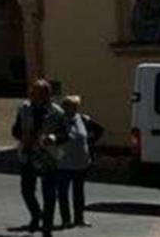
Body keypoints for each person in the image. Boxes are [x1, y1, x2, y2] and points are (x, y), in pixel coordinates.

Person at [12, 79, 67, 237]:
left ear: (47, 94)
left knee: (49, 193)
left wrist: (54, 138)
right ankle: (36, 214)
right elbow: (15, 129)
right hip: (28, 153)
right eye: (34, 92)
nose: (36, 96)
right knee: (26, 191)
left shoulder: (57, 112)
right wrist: (22, 136)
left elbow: (65, 134)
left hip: (48, 155)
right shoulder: (24, 109)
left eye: (41, 93)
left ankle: (47, 228)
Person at [57, 95, 105, 229]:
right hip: (63, 163)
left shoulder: (83, 119)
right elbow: (51, 138)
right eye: (69, 106)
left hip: (81, 162)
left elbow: (99, 130)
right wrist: (56, 154)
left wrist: (89, 144)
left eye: (75, 106)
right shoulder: (59, 121)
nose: (72, 109)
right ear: (64, 107)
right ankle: (66, 220)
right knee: (63, 193)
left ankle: (79, 219)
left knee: (79, 193)